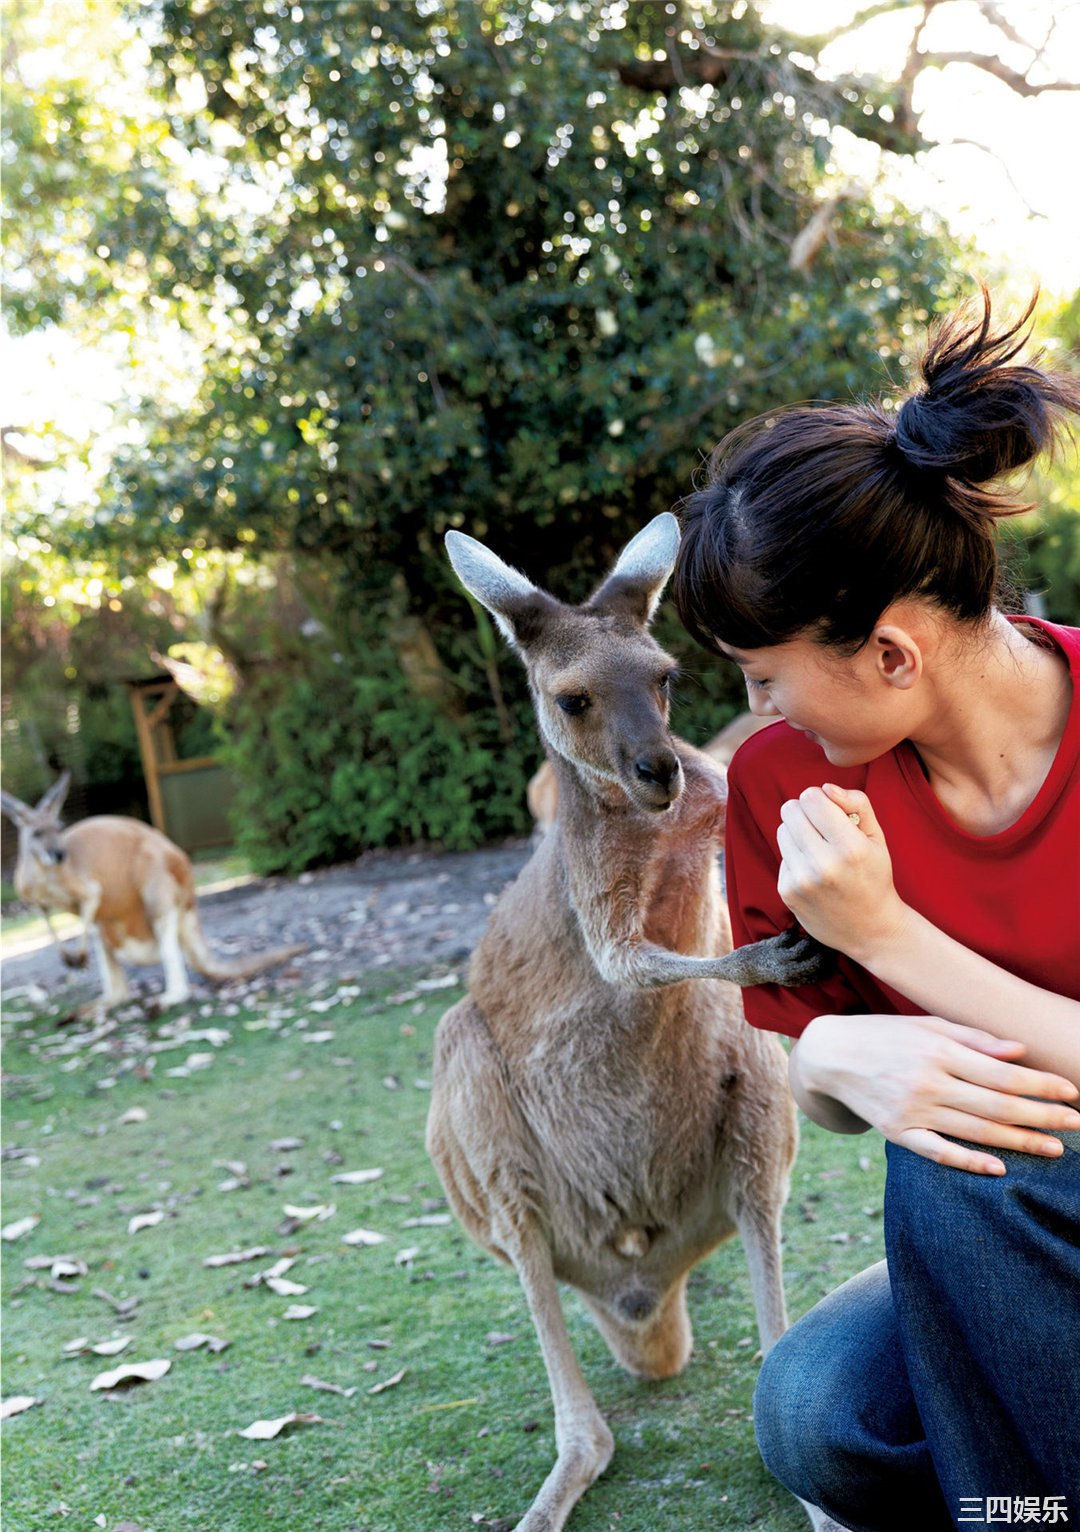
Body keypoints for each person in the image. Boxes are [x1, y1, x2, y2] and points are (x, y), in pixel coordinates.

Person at [671, 289, 1080, 1532]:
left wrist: (886, 932)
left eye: (764, 678)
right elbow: (831, 1078)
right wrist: (831, 1058)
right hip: (1019, 1213)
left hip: (1006, 1190)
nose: (759, 714)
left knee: (969, 1169)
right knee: (821, 1418)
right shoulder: (781, 783)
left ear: (891, 654)